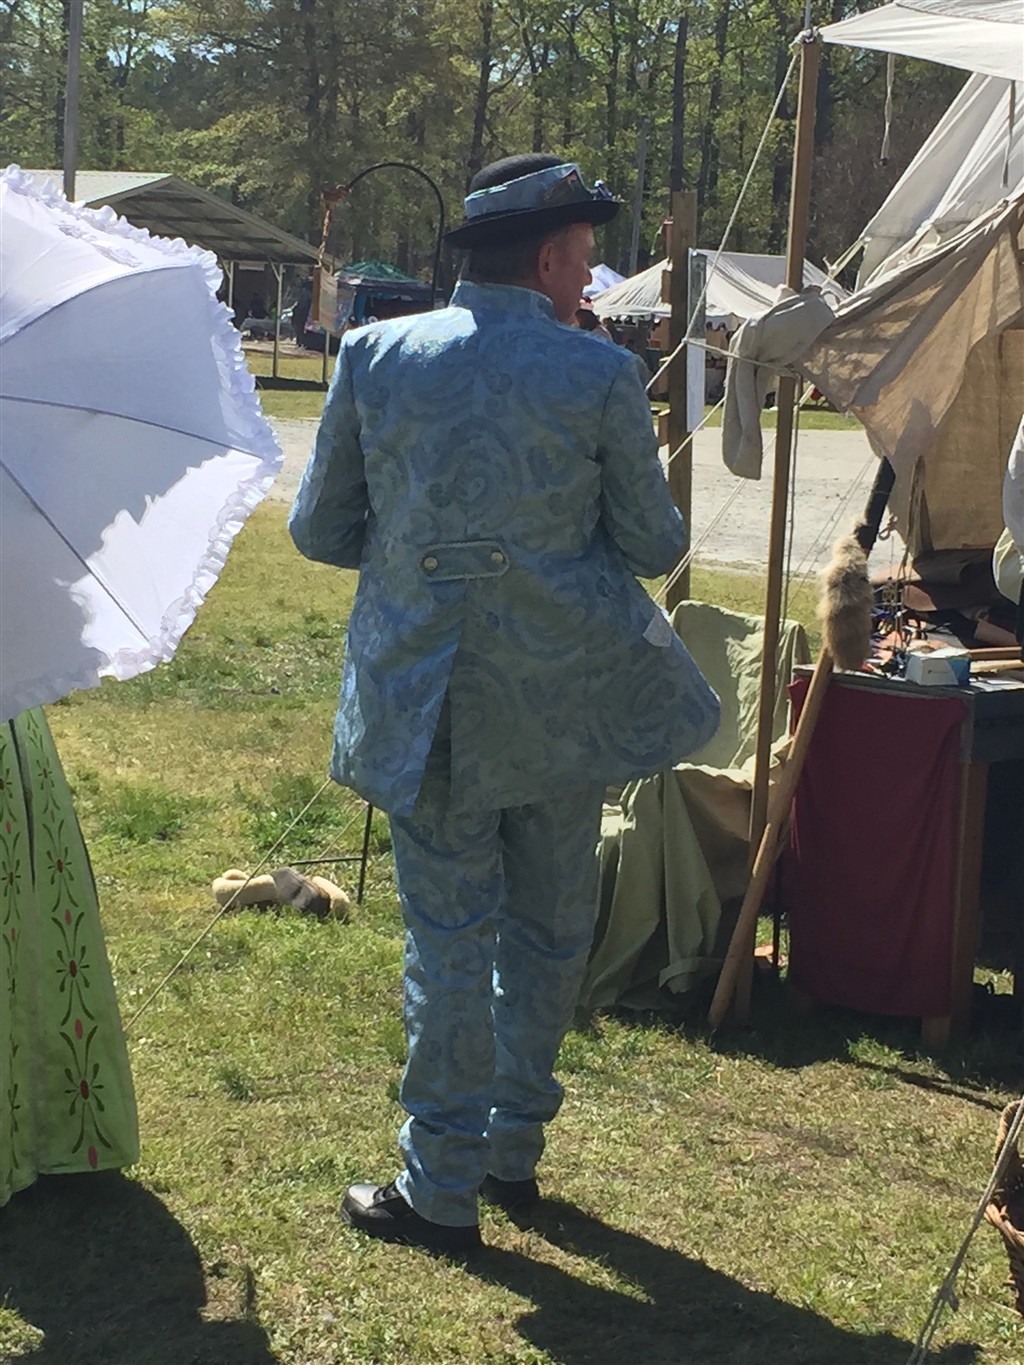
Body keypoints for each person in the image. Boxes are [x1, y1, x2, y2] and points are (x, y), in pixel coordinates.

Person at [288, 153, 719, 1255]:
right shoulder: (599, 374)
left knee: (447, 938)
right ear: (548, 259)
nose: (588, 277)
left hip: (425, 700)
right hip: (560, 704)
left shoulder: (374, 354)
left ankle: (440, 1184)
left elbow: (320, 529)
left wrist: (419, 551)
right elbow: (655, 545)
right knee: (548, 926)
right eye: (584, 259)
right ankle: (511, 1149)